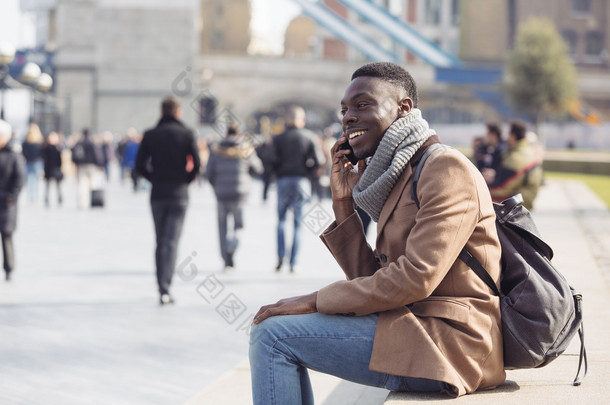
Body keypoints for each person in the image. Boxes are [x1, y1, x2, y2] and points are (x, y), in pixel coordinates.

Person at [249, 62, 505, 403]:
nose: (348, 117)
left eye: (362, 105)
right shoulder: (401, 173)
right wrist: (343, 203)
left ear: (404, 108)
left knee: (272, 337)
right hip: (415, 326)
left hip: (452, 343)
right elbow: (375, 280)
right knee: (272, 331)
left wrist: (314, 300)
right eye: (344, 109)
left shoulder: (444, 167)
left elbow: (416, 278)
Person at [135, 96, 201, 305]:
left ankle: (161, 286)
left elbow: (139, 165)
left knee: (160, 240)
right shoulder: (187, 134)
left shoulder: (151, 134)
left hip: (158, 193)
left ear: (161, 111)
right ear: (178, 112)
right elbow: (198, 165)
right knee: (171, 242)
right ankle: (166, 287)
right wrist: (185, 180)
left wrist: (154, 178)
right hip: (179, 194)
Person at [206, 123, 263, 271]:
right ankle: (233, 245)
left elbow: (208, 173)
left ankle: (226, 260)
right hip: (240, 194)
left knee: (222, 226)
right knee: (239, 225)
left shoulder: (216, 149)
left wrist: (216, 186)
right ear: (239, 134)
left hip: (221, 193)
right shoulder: (246, 149)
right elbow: (258, 168)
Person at [271, 105, 321, 272]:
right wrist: (307, 169)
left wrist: (278, 170)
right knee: (298, 224)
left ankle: (280, 256)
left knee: (281, 221)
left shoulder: (279, 138)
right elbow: (319, 161)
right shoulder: (309, 137)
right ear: (302, 119)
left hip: (283, 181)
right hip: (301, 182)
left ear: (287, 119)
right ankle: (293, 262)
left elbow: (270, 159)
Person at [483, 120, 543, 210]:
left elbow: (501, 188)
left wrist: (480, 188)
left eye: (508, 134)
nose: (506, 138)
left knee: (481, 201)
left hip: (519, 203)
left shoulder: (516, 158)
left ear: (513, 136)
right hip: (522, 198)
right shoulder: (523, 151)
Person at [0, 119, 26, 281]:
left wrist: (11, 197)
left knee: (6, 235)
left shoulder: (14, 154)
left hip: (6, 204)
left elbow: (19, 178)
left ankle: (9, 268)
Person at [71, 128, 105, 209]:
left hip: (82, 166)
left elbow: (74, 155)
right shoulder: (92, 143)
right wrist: (100, 165)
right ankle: (93, 201)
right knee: (93, 184)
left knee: (82, 185)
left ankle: (82, 203)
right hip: (92, 166)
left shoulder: (79, 143)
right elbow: (97, 156)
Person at [21, 123, 44, 203]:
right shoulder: (39, 142)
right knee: (36, 180)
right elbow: (42, 154)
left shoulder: (26, 142)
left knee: (29, 180)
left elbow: (23, 153)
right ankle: (34, 196)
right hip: (37, 162)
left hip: (29, 162)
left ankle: (31, 195)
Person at [42, 131, 64, 207]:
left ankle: (59, 198)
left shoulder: (57, 148)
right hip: (48, 169)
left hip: (56, 169)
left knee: (58, 185)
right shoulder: (46, 148)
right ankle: (47, 199)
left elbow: (60, 161)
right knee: (48, 186)